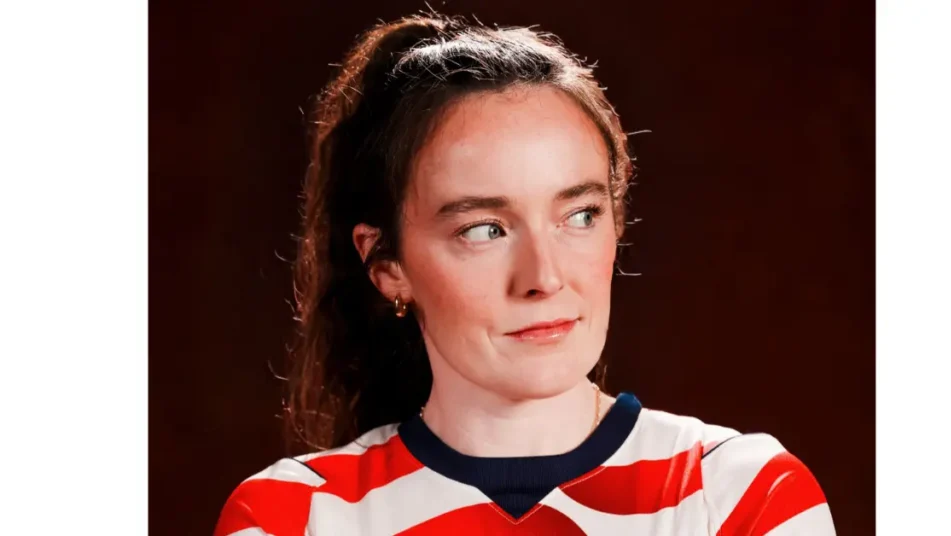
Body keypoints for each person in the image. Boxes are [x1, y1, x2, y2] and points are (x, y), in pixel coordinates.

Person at [214, 13, 835, 536]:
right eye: (484, 228)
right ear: (387, 264)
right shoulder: (292, 517)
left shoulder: (739, 496)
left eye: (580, 215)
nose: (544, 277)